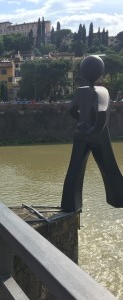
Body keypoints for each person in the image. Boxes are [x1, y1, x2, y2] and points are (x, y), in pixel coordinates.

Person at [61, 55, 123, 212]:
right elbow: (102, 113)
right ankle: (119, 198)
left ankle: (70, 205)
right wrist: (94, 130)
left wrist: (82, 124)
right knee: (110, 169)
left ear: (82, 72)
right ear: (100, 72)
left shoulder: (79, 91)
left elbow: (71, 110)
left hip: (81, 133)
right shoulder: (102, 91)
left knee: (74, 171)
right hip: (98, 135)